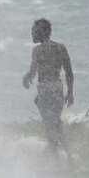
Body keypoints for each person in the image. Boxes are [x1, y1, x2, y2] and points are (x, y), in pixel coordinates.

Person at [21, 18, 73, 163]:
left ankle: (55, 158)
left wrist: (25, 79)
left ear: (39, 32)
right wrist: (70, 92)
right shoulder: (61, 48)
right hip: (57, 90)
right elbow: (69, 72)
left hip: (45, 91)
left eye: (33, 31)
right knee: (56, 123)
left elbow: (33, 71)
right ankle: (67, 157)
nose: (32, 34)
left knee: (50, 125)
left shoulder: (37, 50)